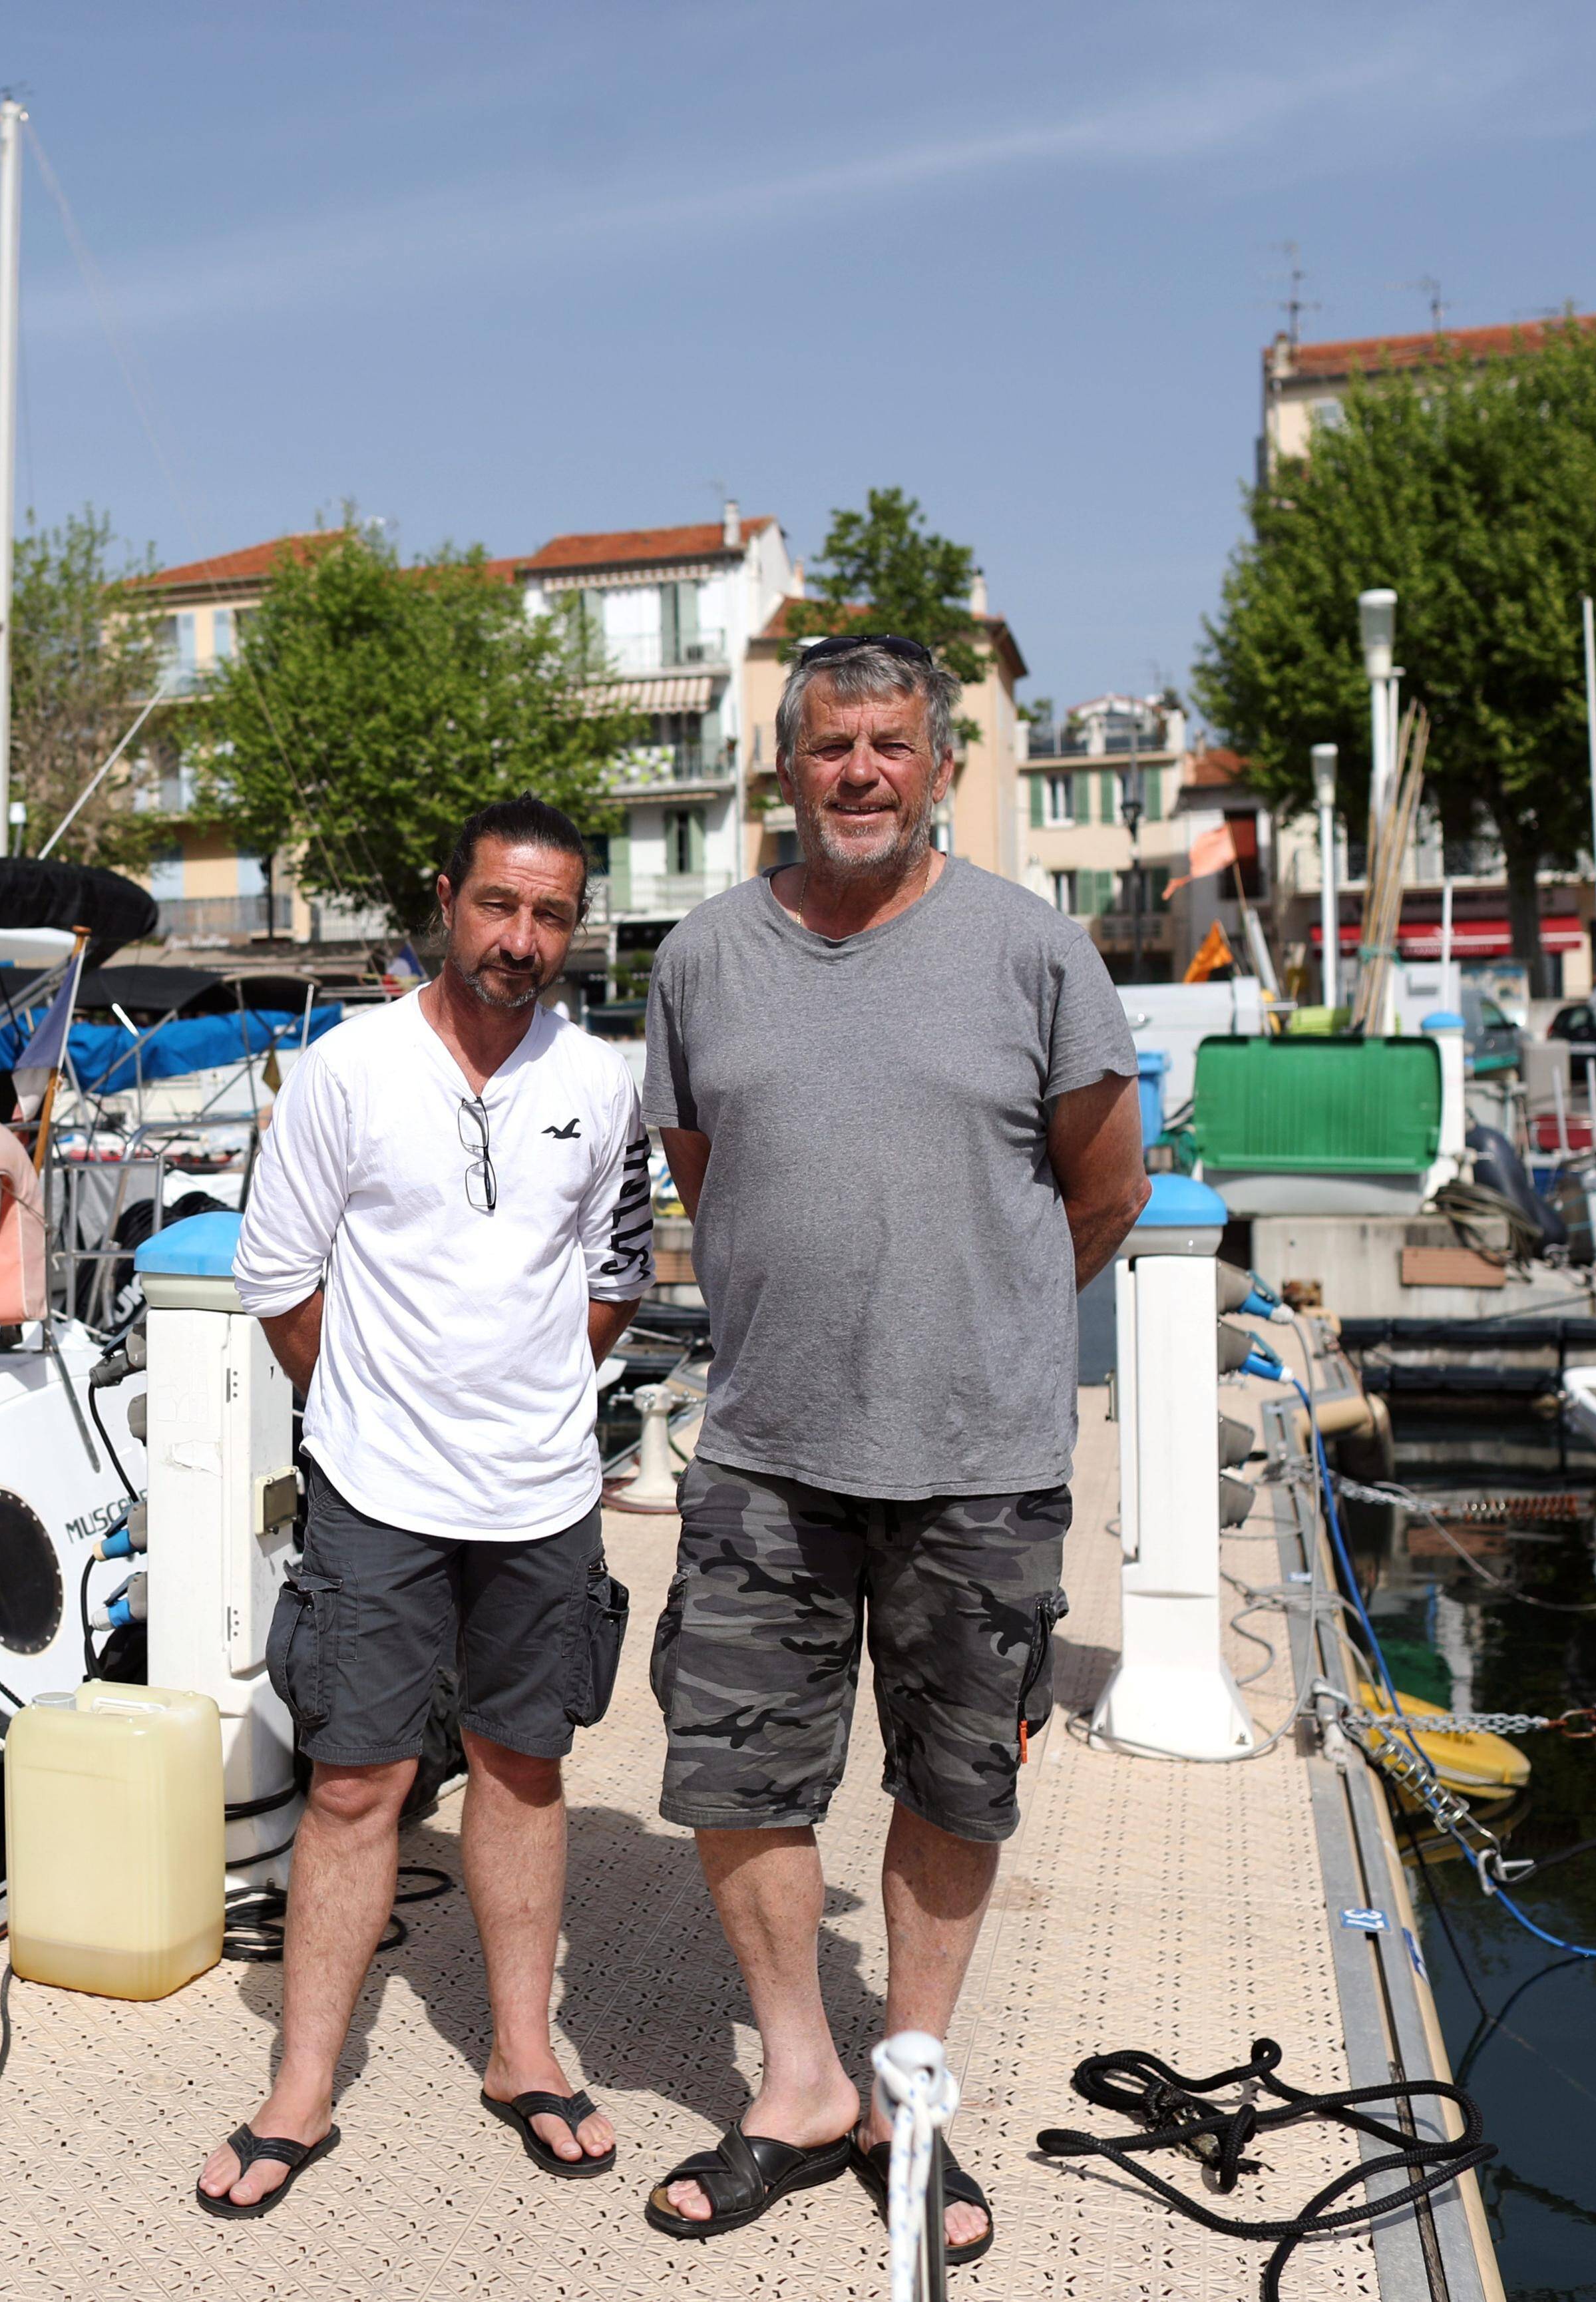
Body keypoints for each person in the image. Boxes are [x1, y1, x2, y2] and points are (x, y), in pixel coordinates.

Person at [636, 634, 1148, 2263]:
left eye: (889, 744)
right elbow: (705, 1173)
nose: (859, 769)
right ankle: (797, 2079)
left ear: (937, 765)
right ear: (782, 771)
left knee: (956, 1783)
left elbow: (1107, 1185)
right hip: (766, 1450)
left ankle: (908, 2091)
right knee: (737, 1769)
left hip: (980, 1462)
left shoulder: (1035, 949)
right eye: (829, 744)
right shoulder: (703, 958)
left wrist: (981, 1330)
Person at [194, 797, 654, 2217]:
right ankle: (301, 2086)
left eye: (552, 915)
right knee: (352, 1781)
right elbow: (279, 1276)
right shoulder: (347, 1070)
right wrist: (379, 1413)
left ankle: (523, 2048)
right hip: (374, 1493)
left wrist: (515, 1401)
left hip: (541, 1492)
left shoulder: (603, 1081)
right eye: (499, 906)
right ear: (445, 899)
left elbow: (613, 1274)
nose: (522, 939)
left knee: (521, 1767)